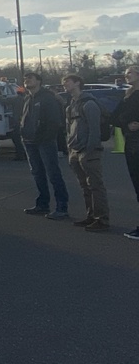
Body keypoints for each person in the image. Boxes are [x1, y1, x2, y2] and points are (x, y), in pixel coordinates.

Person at [62, 74, 109, 232]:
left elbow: (94, 130)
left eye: (67, 81)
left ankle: (101, 219)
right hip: (75, 151)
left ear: (78, 83)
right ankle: (91, 215)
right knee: (85, 187)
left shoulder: (89, 104)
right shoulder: (70, 106)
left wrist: (89, 150)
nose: (64, 84)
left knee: (96, 186)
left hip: (88, 152)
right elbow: (69, 130)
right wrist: (70, 150)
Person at [19, 71, 70, 219]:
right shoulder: (28, 98)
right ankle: (42, 204)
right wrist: (23, 133)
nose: (27, 80)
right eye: (25, 78)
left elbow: (55, 122)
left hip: (45, 142)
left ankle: (62, 206)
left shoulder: (48, 98)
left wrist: (44, 137)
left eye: (30, 78)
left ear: (39, 81)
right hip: (29, 141)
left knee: (53, 173)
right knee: (37, 173)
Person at [112, 66, 139, 239]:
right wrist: (126, 123)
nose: (126, 76)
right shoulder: (128, 96)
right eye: (126, 73)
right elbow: (115, 117)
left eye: (130, 72)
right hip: (132, 145)